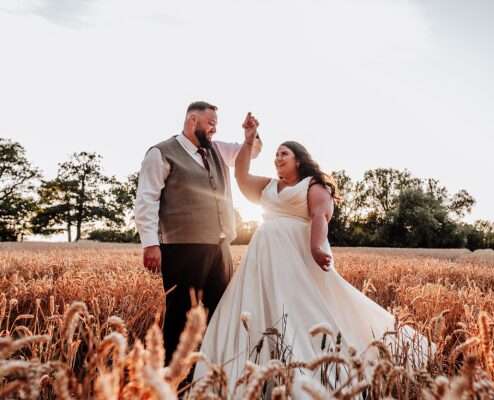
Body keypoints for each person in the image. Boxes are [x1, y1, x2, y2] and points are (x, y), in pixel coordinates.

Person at [193, 120, 433, 394]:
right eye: (276, 154)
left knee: (299, 308)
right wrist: (248, 141)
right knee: (258, 306)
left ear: (299, 159)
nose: (277, 158)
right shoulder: (269, 186)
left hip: (295, 259)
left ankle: (317, 371)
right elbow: (241, 177)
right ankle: (252, 372)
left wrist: (318, 246)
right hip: (261, 261)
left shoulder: (313, 185)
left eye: (284, 153)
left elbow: (321, 215)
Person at [134, 101, 262, 366]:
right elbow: (146, 199)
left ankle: (214, 371)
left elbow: (252, 154)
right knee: (181, 316)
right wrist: (150, 243)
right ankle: (172, 377)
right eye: (211, 123)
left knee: (222, 312)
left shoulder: (215, 149)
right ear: (192, 120)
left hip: (220, 247)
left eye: (216, 123)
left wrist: (251, 137)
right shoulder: (161, 153)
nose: (214, 129)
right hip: (182, 248)